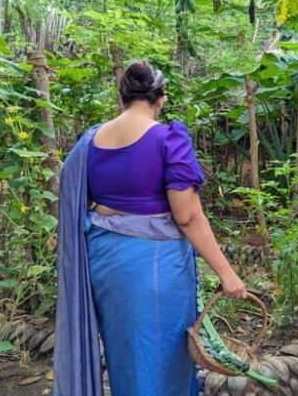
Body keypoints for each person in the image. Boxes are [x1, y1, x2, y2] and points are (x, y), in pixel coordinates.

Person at [53, 60, 247, 396]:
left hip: (103, 259)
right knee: (161, 354)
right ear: (161, 97)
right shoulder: (168, 138)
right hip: (153, 265)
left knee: (124, 348)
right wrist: (226, 273)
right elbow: (187, 216)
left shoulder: (91, 140)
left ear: (122, 96)